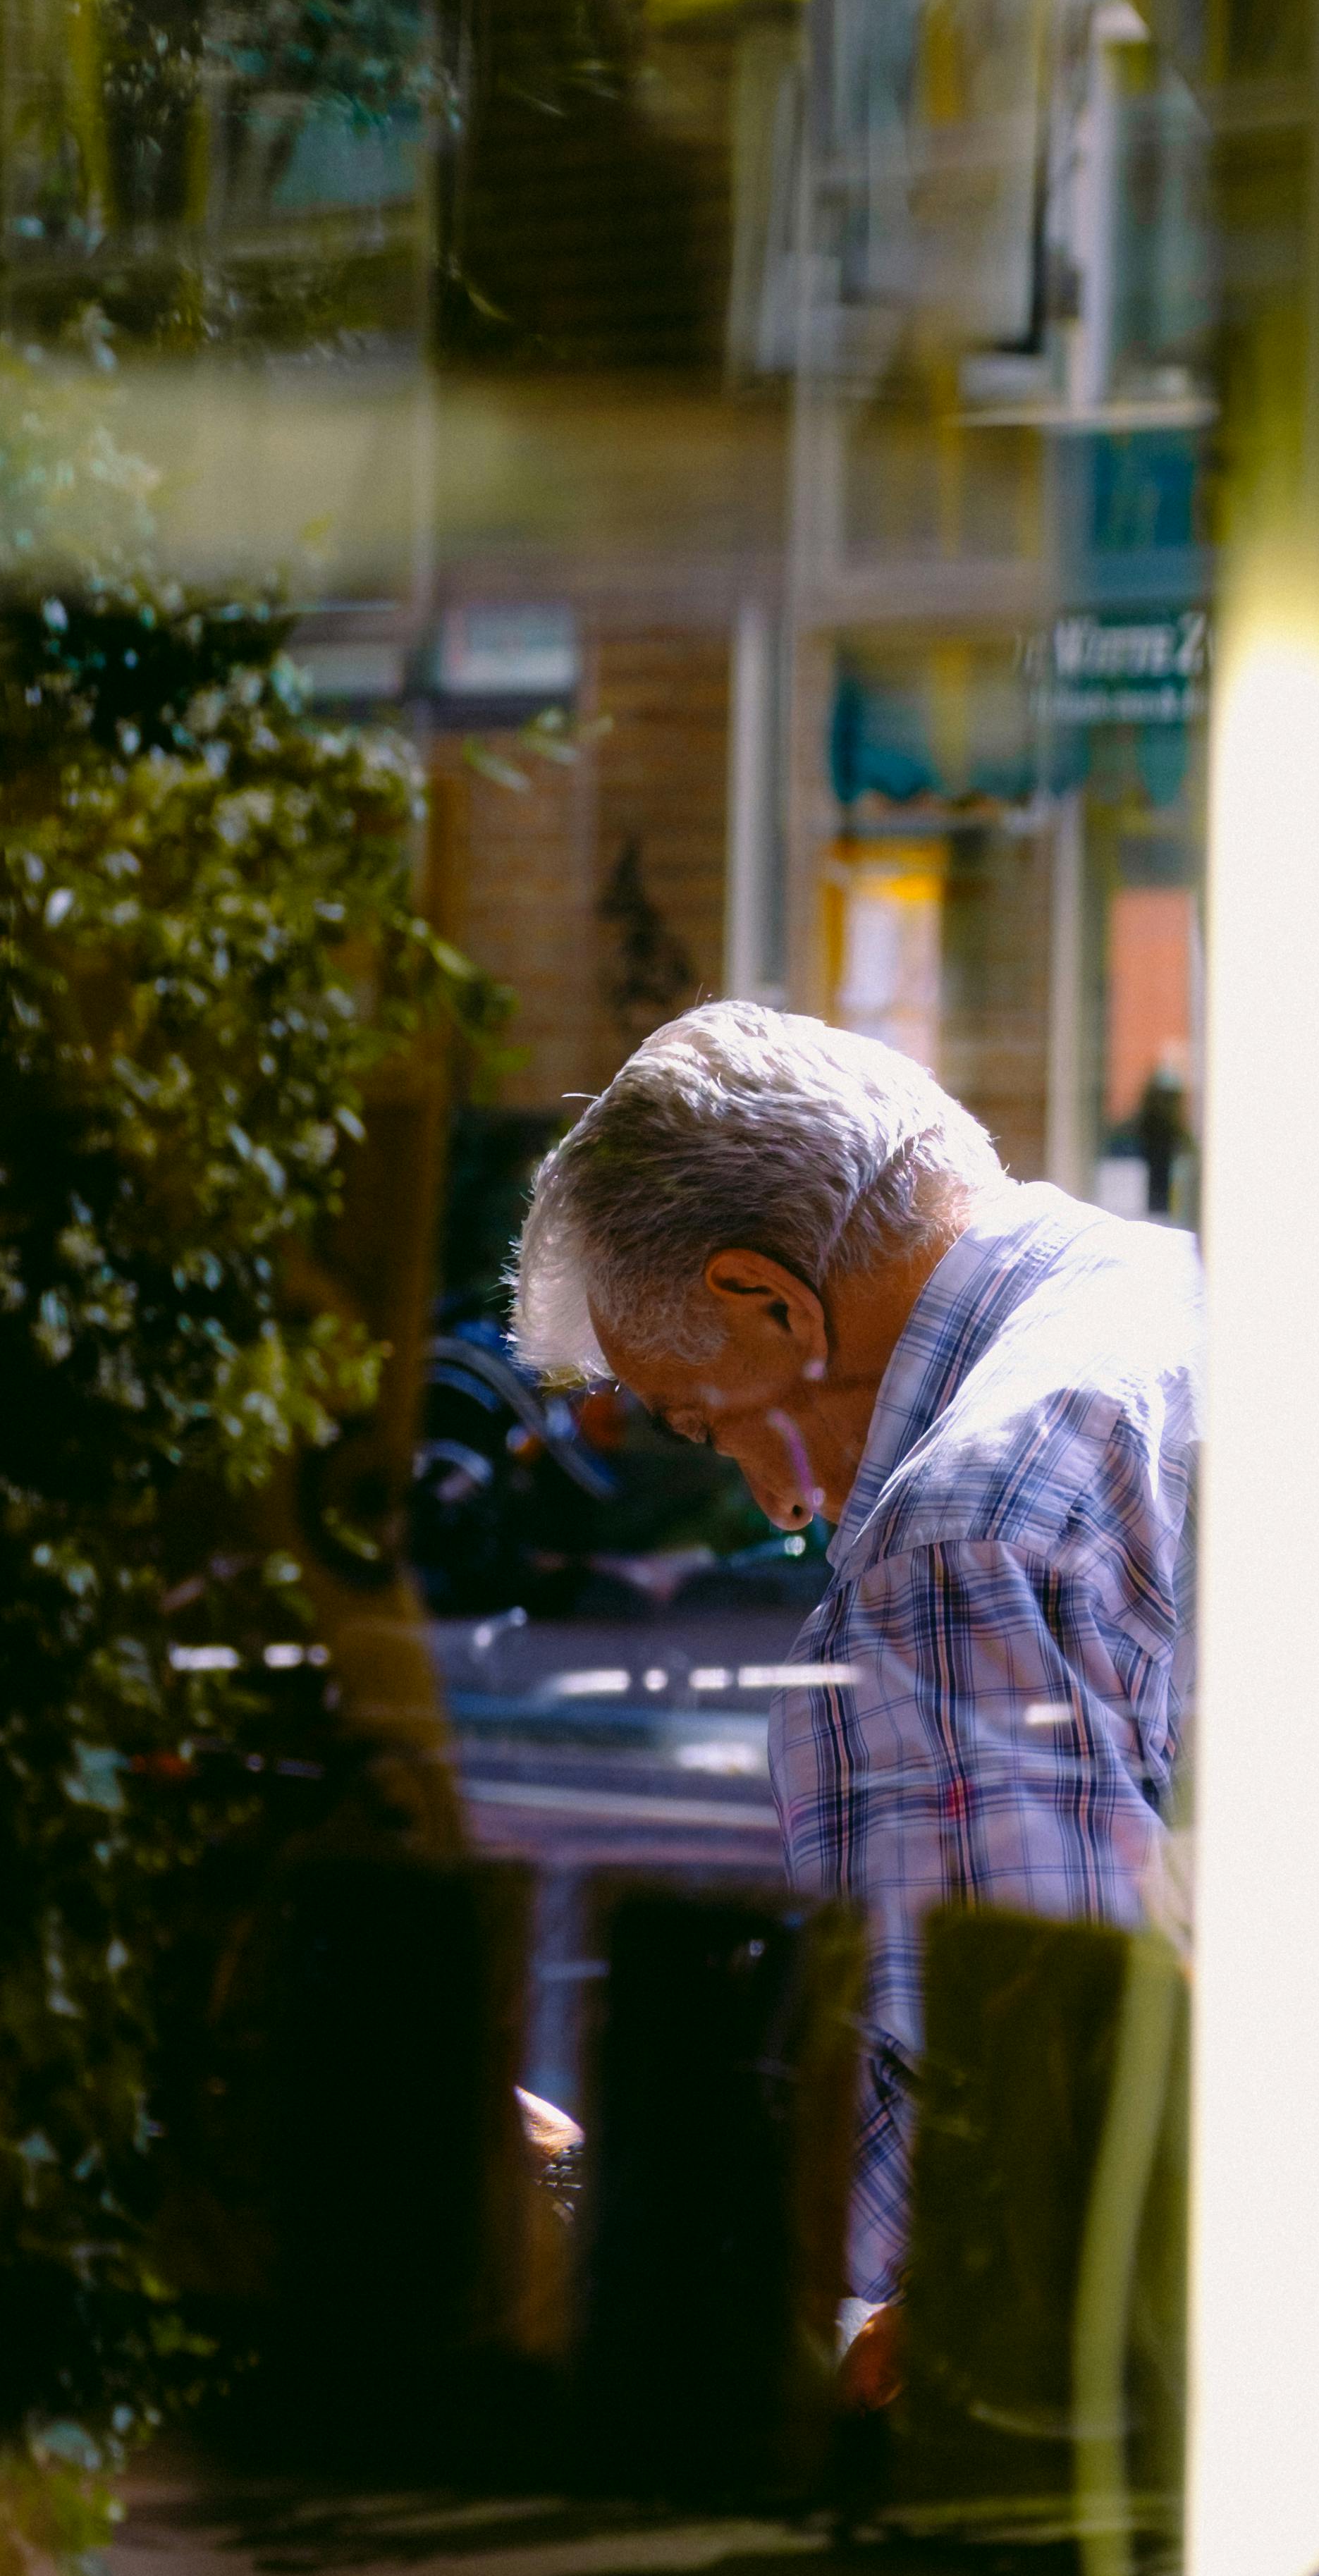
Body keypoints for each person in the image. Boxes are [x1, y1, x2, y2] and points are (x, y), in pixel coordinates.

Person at [512, 1002, 1200, 2391]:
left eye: (706, 1423)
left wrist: (598, 2204)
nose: (768, 1504)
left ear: (768, 1299)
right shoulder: (1165, 1296)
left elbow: (1012, 2142)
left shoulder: (954, 1538)